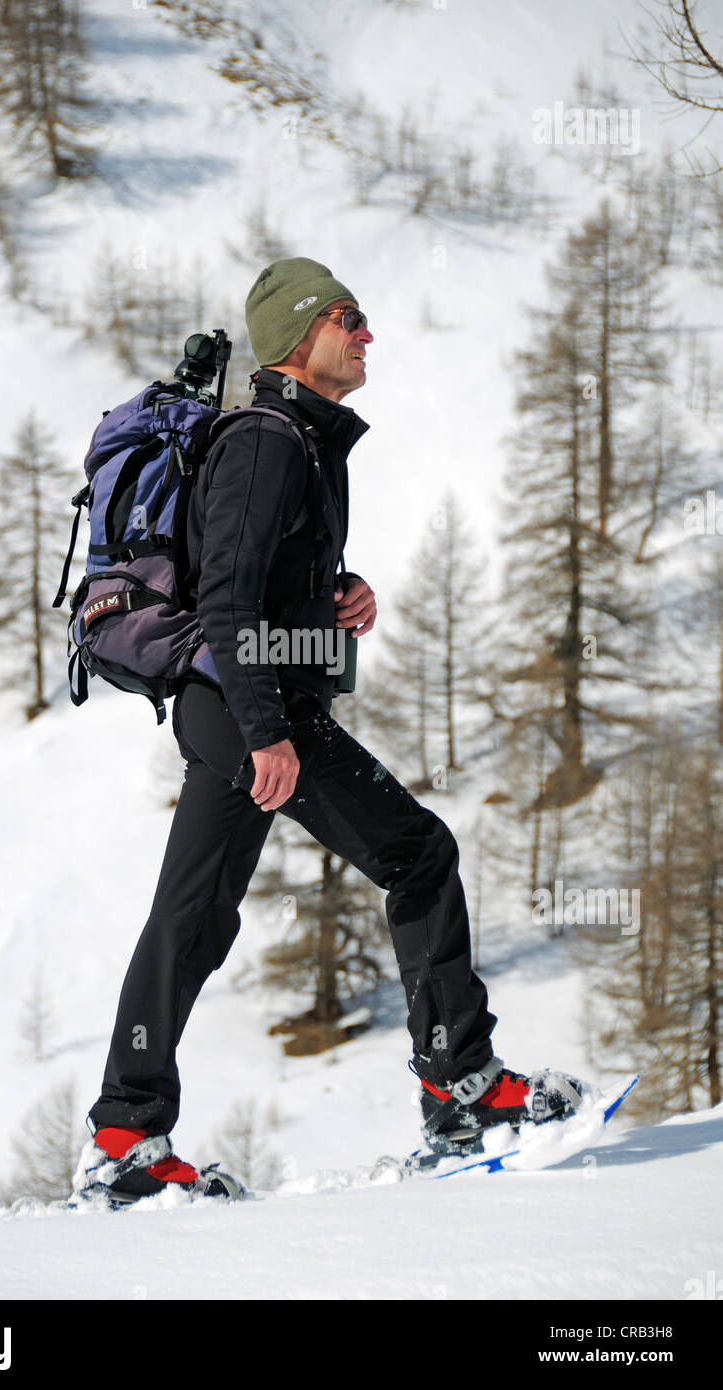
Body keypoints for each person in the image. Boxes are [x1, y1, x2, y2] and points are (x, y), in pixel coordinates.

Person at [75, 257, 545, 1204]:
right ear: (301, 338)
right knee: (418, 854)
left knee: (193, 914)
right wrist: (266, 734)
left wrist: (339, 592)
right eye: (350, 318)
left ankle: (125, 1136)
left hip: (234, 708)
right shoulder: (269, 441)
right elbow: (227, 597)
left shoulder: (294, 440)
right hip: (254, 709)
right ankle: (463, 1091)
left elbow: (260, 575)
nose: (368, 334)